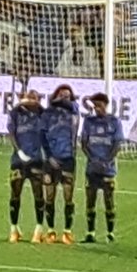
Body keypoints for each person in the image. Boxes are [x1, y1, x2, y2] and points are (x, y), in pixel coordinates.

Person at [80, 92, 124, 243]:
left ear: (105, 105)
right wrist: (92, 158)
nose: (97, 109)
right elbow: (83, 143)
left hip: (108, 169)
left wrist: (107, 160)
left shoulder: (114, 122)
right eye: (95, 106)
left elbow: (117, 144)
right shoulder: (88, 122)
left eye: (99, 105)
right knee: (90, 201)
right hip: (92, 168)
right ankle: (90, 232)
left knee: (109, 200)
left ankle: (110, 233)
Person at [40, 84, 80, 244]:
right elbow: (42, 136)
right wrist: (49, 157)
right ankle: (50, 231)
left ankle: (67, 231)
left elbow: (70, 105)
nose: (64, 97)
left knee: (68, 197)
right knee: (49, 197)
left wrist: (58, 101)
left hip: (68, 158)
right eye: (61, 94)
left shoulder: (74, 110)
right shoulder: (47, 114)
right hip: (50, 160)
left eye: (67, 95)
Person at [7, 90, 45, 244]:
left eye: (35, 99)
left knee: (38, 195)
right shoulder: (16, 113)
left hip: (36, 160)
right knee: (15, 194)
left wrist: (34, 102)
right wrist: (19, 151)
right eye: (30, 98)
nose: (32, 102)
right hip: (18, 160)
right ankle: (14, 229)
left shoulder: (42, 114)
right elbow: (12, 134)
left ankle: (38, 229)